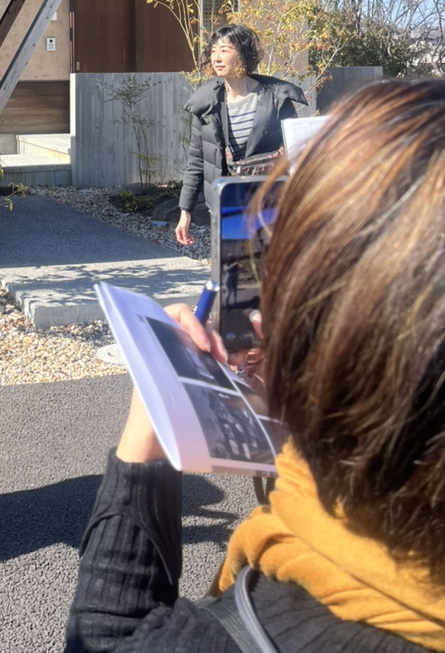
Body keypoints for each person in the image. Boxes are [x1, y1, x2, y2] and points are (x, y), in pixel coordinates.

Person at [66, 78, 445, 652]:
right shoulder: (211, 106)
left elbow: (105, 639)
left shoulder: (245, 636)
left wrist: (151, 431)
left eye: (290, 287)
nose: (265, 319)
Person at [176, 25, 306, 247]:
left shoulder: (276, 98)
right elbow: (197, 161)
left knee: (269, 270)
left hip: (270, 202)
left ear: (243, 54)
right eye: (214, 50)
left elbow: (297, 151)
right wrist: (185, 210)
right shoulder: (206, 105)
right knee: (234, 271)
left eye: (225, 50)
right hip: (228, 203)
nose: (216, 57)